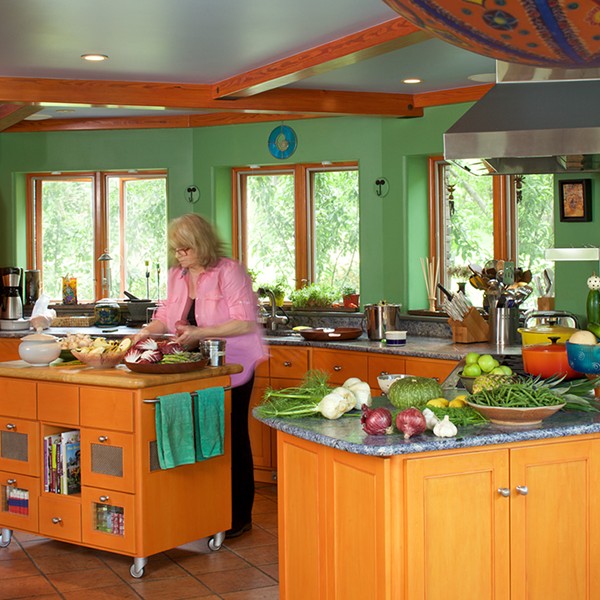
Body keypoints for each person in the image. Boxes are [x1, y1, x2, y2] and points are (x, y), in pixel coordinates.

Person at [136, 213, 267, 538]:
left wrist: (200, 332)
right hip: (196, 365)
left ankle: (238, 517)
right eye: (175, 249)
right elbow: (166, 314)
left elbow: (244, 321)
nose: (179, 254)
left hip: (233, 364)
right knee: (201, 435)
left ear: (201, 243)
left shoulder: (229, 271)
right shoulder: (177, 275)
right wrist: (141, 333)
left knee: (231, 435)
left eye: (185, 248)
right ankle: (205, 512)